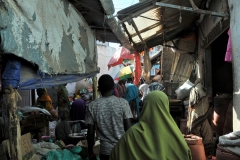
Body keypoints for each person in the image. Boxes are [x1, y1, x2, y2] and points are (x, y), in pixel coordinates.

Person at [110, 91, 192, 160]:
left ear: (145, 106)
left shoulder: (131, 135)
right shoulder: (177, 137)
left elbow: (115, 155)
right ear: (166, 107)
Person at [85, 74, 132, 160]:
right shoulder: (123, 103)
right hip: (122, 150)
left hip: (105, 152)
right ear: (113, 87)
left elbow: (91, 133)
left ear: (99, 89)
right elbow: (129, 129)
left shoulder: (92, 106)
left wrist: (91, 152)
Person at [187, 79, 213, 158]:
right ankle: (206, 154)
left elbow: (192, 103)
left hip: (195, 114)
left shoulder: (193, 90)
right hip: (199, 114)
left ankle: (198, 153)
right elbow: (201, 100)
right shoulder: (199, 89)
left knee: (196, 132)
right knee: (205, 133)